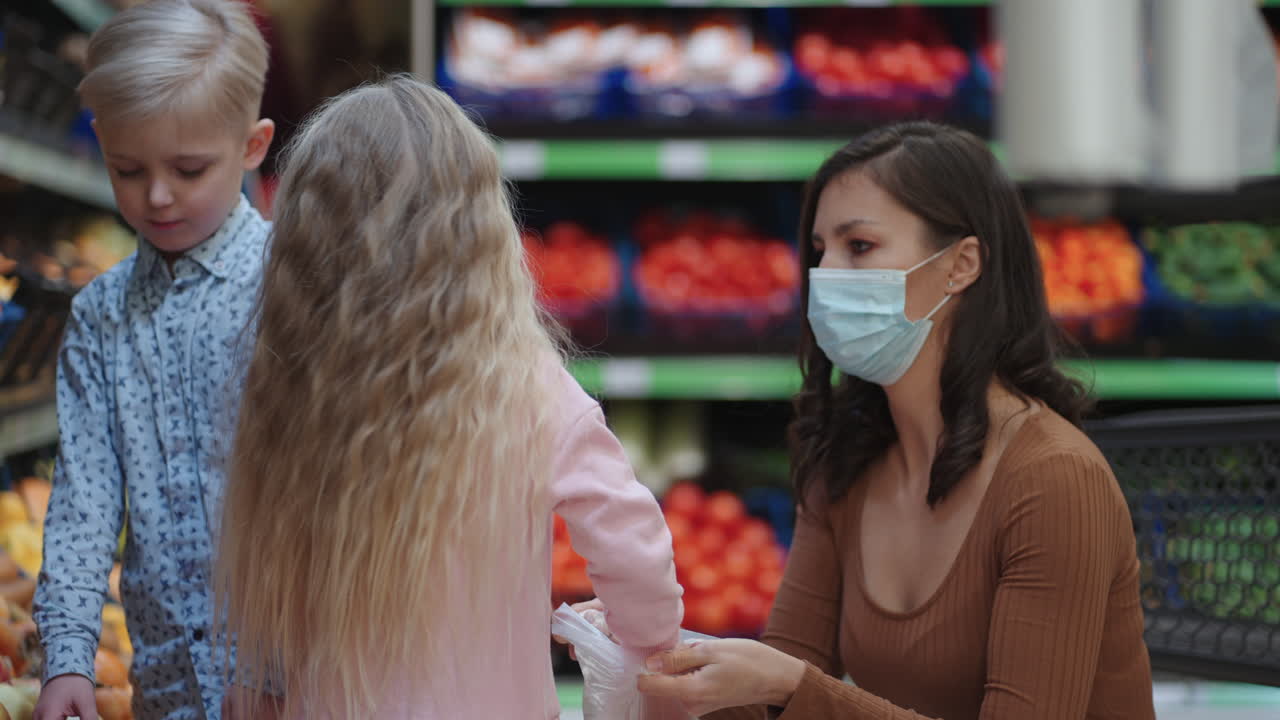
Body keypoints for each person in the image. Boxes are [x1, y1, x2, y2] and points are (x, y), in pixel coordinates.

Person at [634, 122, 1156, 719]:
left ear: (961, 265)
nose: (826, 276)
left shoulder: (1055, 481)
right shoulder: (848, 458)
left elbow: (792, 686)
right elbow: (772, 698)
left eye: (859, 247)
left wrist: (793, 685)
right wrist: (656, 658)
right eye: (819, 251)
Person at [213, 75, 684, 720]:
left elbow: (263, 573)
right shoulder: (526, 388)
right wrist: (645, 639)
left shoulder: (292, 390)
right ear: (481, 234)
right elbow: (631, 543)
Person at [32, 1, 276, 719]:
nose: (158, 196)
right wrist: (69, 654)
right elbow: (84, 501)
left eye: (190, 168)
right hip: (164, 685)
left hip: (293, 680)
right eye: (128, 169)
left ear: (253, 145)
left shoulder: (291, 289)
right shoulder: (98, 317)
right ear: (102, 142)